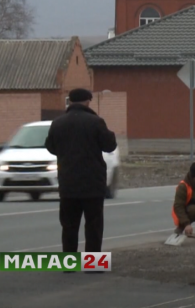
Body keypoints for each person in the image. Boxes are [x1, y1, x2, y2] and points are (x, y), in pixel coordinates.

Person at [45, 88, 118, 270]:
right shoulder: (95, 122)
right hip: (92, 183)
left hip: (68, 182)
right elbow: (109, 146)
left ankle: (68, 263)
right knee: (93, 225)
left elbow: (51, 147)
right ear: (88, 101)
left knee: (69, 225)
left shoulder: (58, 123)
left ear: (70, 101)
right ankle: (92, 265)